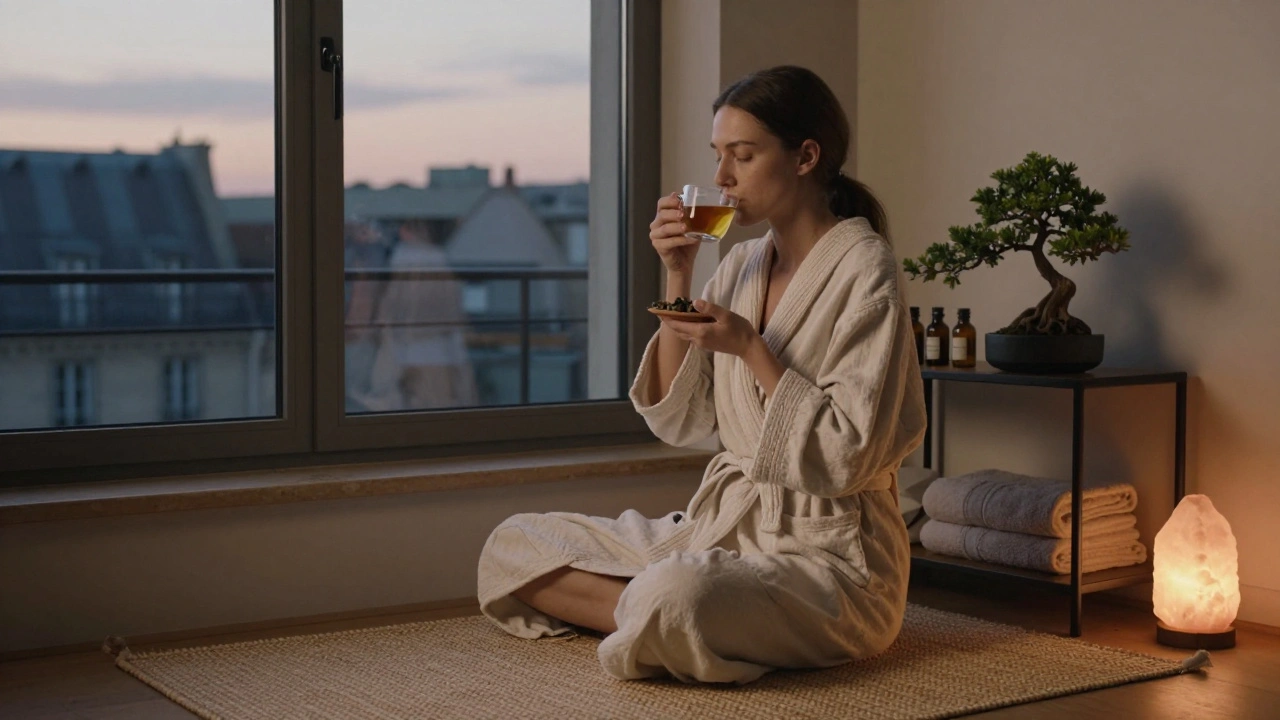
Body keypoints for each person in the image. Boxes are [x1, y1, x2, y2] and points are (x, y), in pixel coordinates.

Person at [476, 65, 927, 685]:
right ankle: (658, 614)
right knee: (514, 543)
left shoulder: (864, 268)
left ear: (806, 157)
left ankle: (658, 609)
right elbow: (681, 417)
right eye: (717, 156)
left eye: (741, 156)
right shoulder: (741, 263)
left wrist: (750, 347)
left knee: (682, 592)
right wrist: (679, 277)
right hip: (726, 530)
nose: (720, 179)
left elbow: (847, 455)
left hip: (832, 559)